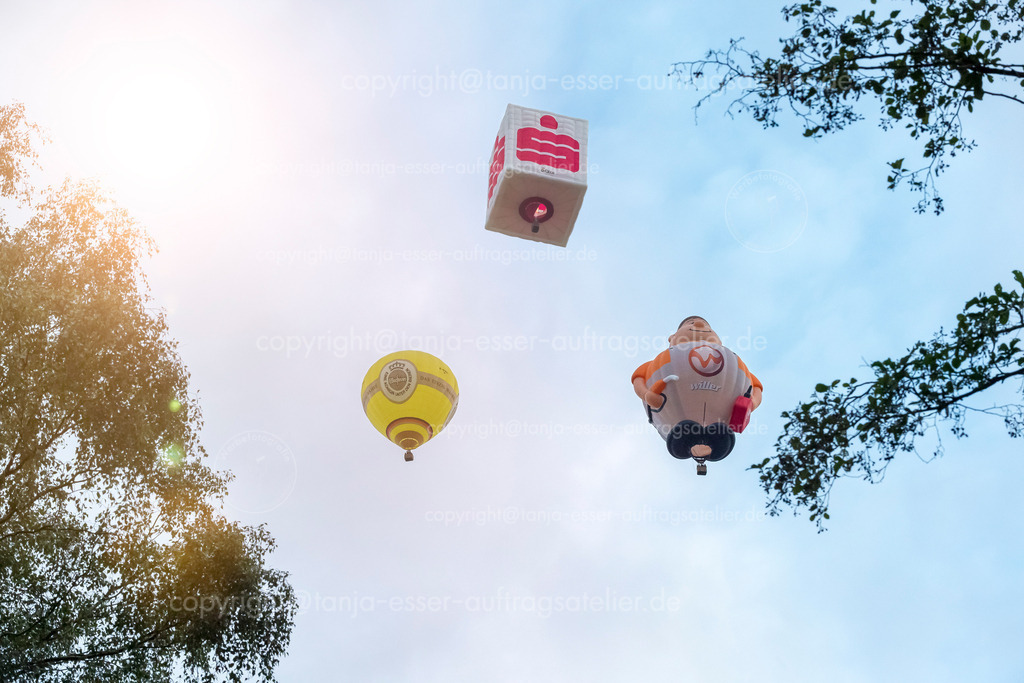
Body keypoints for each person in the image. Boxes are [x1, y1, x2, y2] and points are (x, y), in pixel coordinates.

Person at [632, 316, 763, 462]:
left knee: (717, 429)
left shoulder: (734, 361)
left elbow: (756, 387)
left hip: (721, 413)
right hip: (672, 411)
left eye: (705, 325)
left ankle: (717, 439)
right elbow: (638, 379)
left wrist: (752, 403)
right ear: (672, 338)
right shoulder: (660, 361)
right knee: (683, 427)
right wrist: (647, 395)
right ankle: (685, 438)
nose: (699, 324)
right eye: (691, 323)